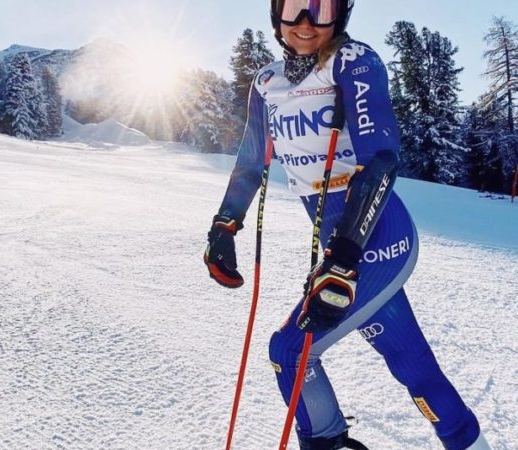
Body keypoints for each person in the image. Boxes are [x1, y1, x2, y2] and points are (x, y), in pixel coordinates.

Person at [203, 1, 490, 449]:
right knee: (412, 365)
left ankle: (327, 442)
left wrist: (344, 255)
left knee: (290, 351)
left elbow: (381, 158)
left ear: (340, 14)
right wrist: (225, 224)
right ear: (276, 13)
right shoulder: (266, 83)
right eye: (294, 7)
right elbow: (252, 159)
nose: (305, 23)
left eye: (320, 9)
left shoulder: (351, 61)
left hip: (376, 236)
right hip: (341, 248)